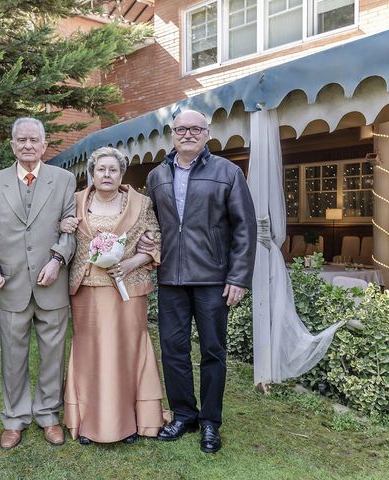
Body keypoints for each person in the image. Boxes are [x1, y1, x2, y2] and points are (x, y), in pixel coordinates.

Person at [144, 109, 256, 454]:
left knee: (212, 351)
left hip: (212, 277)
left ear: (207, 133)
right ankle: (183, 414)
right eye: (181, 129)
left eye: (196, 129)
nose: (188, 134)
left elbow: (244, 228)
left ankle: (210, 421)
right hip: (171, 279)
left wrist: (238, 277)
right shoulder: (156, 176)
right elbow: (151, 223)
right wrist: (147, 244)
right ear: (172, 133)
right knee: (173, 349)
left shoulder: (228, 172)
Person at [0, 117, 76, 450]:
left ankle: (49, 415)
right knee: (12, 356)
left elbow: (70, 230)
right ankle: (15, 418)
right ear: (12, 144)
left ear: (45, 145)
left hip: (52, 282)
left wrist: (58, 259)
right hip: (11, 283)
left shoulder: (64, 180)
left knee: (53, 354)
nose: (27, 145)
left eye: (34, 140)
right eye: (21, 140)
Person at [59, 147, 164, 445]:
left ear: (122, 173)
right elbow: (61, 233)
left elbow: (156, 239)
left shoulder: (141, 203)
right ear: (92, 173)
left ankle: (131, 422)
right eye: (101, 169)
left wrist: (132, 263)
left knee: (126, 352)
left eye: (113, 170)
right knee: (89, 354)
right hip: (87, 290)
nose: (107, 175)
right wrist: (61, 224)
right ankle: (88, 421)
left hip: (127, 290)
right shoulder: (76, 201)